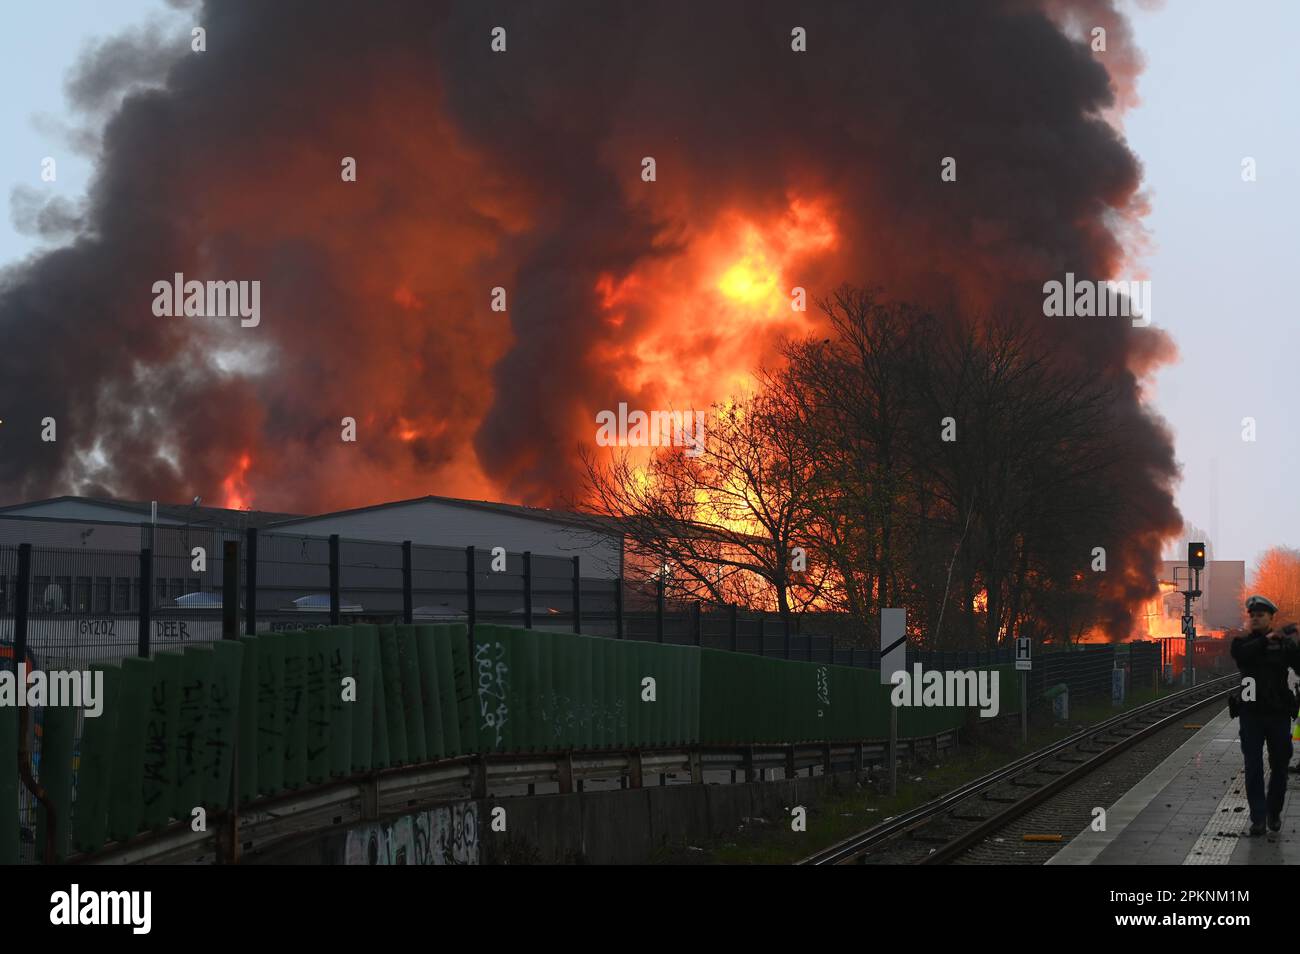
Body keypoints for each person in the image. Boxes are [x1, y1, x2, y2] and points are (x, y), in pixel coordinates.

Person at [1231, 595, 1300, 835]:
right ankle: (1258, 818)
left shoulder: (1282, 645)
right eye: (1253, 616)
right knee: (1253, 766)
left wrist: (1294, 643)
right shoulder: (1241, 643)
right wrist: (1267, 639)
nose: (1256, 619)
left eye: (1261, 615)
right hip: (1251, 715)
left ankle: (1273, 812)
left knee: (1280, 765)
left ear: (1271, 618)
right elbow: (1244, 656)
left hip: (1278, 714)